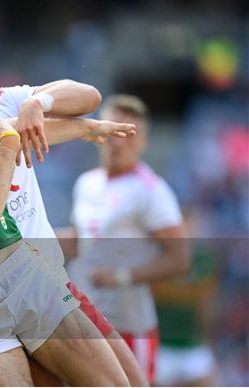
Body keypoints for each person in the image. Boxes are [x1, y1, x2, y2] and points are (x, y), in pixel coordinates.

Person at [0, 15, 148, 386]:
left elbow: (88, 96)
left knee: (134, 381)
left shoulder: (1, 106)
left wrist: (38, 102)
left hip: (49, 286)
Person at [66, 94, 191, 383]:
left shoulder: (151, 190)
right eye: (115, 131)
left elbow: (180, 258)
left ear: (143, 142)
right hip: (85, 322)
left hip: (129, 326)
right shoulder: (86, 183)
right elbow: (79, 240)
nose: (119, 141)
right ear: (100, 133)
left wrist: (121, 276)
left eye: (129, 134)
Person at [153, 208, 218, 386]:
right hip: (162, 345)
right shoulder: (158, 255)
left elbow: (206, 304)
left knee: (207, 379)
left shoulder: (203, 259)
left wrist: (207, 340)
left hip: (192, 343)